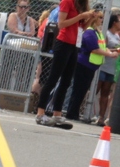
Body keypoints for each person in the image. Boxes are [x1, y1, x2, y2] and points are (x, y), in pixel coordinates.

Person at [34, 0, 96, 128]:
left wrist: (89, 18)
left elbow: (81, 28)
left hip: (74, 45)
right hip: (63, 43)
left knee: (66, 81)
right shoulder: (67, 2)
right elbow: (61, 24)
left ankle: (57, 113)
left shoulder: (81, 4)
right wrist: (80, 16)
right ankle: (40, 113)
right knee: (53, 78)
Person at [67, 11, 120, 120]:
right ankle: (71, 112)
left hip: (90, 66)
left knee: (82, 89)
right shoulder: (89, 32)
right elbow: (94, 49)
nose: (102, 20)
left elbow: (102, 47)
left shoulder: (97, 33)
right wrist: (110, 54)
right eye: (100, 17)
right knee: (79, 89)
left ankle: (74, 112)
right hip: (84, 64)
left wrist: (110, 52)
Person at [95, 13, 120, 125]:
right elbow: (103, 48)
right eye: (119, 22)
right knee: (96, 90)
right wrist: (118, 50)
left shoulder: (117, 36)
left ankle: (101, 117)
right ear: (114, 23)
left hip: (111, 68)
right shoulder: (106, 34)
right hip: (103, 66)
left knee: (105, 93)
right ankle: (86, 111)